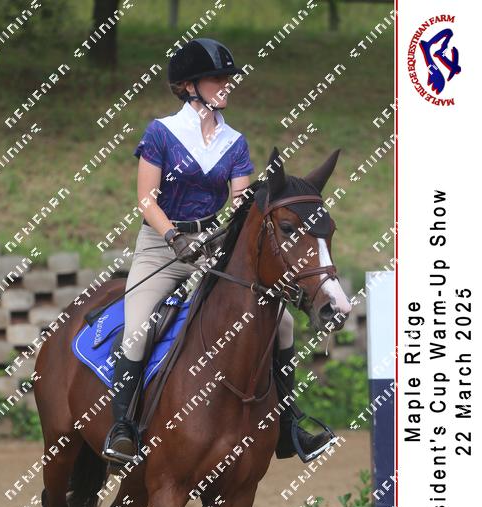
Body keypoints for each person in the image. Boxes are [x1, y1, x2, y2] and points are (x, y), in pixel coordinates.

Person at [102, 38, 334, 464]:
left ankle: (289, 423)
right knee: (138, 326)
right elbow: (146, 201)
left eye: (228, 78)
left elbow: (240, 203)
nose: (227, 84)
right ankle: (123, 428)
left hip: (212, 244)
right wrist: (174, 237)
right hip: (160, 247)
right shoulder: (161, 133)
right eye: (217, 78)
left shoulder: (234, 142)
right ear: (189, 86)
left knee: (281, 321)